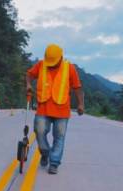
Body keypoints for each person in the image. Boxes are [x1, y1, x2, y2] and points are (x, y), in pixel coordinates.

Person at [26, 44, 84, 175]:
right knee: (39, 131)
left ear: (61, 57)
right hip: (43, 107)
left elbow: (77, 87)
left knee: (59, 137)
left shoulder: (69, 68)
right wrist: (29, 84)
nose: (51, 64)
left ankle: (54, 163)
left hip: (62, 109)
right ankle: (45, 153)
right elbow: (29, 74)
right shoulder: (41, 65)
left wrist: (81, 104)